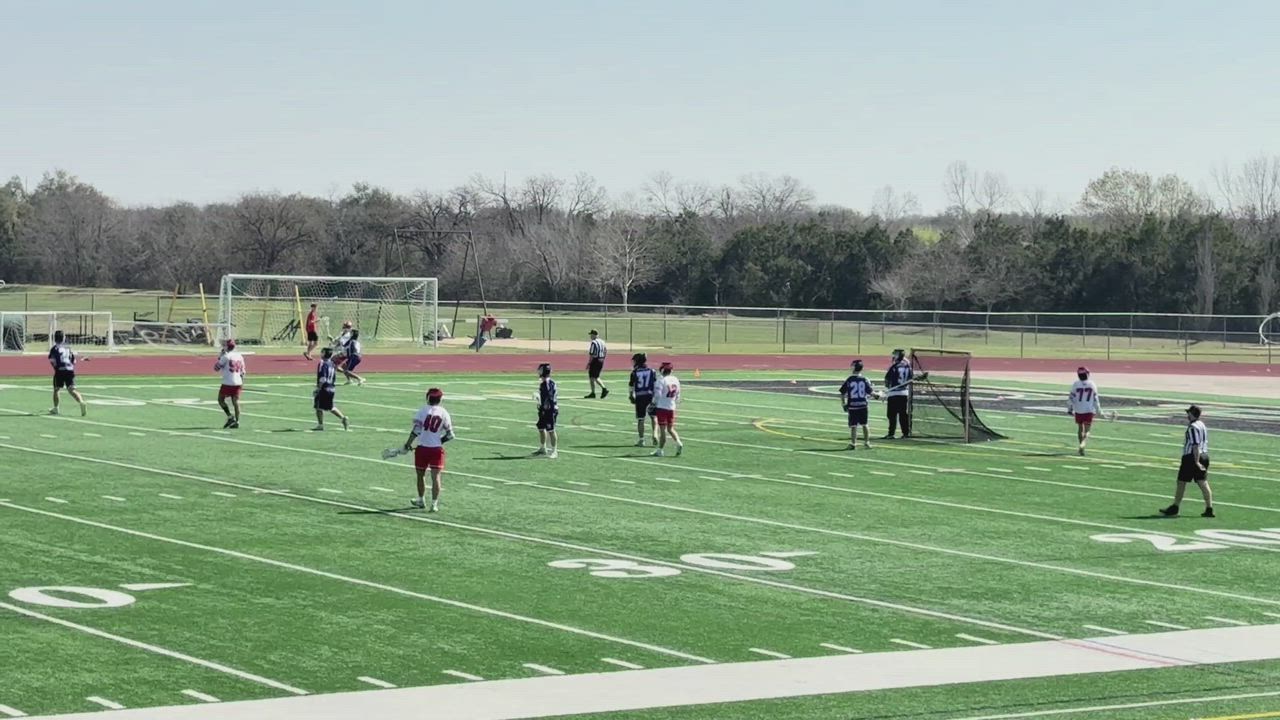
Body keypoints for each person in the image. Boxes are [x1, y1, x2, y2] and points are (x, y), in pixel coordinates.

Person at [1160, 405, 1214, 518]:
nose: (1187, 415)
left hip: (1192, 457)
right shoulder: (1202, 424)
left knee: (1181, 482)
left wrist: (1196, 461)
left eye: (1188, 413)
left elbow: (1195, 445)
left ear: (1191, 414)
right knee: (1203, 482)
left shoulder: (1193, 427)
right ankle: (1209, 508)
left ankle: (1175, 507)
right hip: (1204, 455)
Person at [403, 388, 452, 512]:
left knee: (421, 475)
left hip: (422, 448)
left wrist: (408, 443)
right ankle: (434, 504)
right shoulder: (444, 412)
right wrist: (439, 441)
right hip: (436, 450)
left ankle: (421, 499)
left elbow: (416, 430)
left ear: (428, 398)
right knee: (436, 477)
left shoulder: (422, 410)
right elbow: (450, 435)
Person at [839, 359, 878, 450]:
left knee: (853, 426)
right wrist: (876, 395)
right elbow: (870, 392)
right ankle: (867, 442)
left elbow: (842, 393)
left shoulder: (850, 379)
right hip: (863, 405)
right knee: (865, 424)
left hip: (853, 406)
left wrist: (843, 404)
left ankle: (853, 443)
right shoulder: (864, 379)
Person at [47, 330, 87, 417]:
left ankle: (56, 408)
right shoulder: (68, 348)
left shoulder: (54, 349)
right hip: (70, 369)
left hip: (60, 370)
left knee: (56, 389)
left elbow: (52, 361)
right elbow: (74, 361)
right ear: (63, 338)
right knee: (71, 389)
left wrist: (56, 368)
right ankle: (81, 402)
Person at [1067, 366, 1103, 456]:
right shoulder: (1092, 384)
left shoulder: (1076, 384)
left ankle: (1080, 446)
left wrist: (1069, 408)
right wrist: (1099, 410)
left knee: (1080, 428)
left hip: (1078, 409)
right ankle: (1083, 444)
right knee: (1087, 430)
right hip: (1088, 410)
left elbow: (1071, 397)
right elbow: (1095, 399)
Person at [313, 347, 349, 431]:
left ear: (324, 353)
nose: (320, 353)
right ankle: (343, 418)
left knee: (318, 406)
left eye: (322, 352)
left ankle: (320, 425)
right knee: (330, 407)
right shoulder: (332, 363)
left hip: (324, 388)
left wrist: (318, 388)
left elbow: (323, 378)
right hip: (331, 387)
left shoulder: (322, 363)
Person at [651, 361, 683, 457]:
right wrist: (673, 401)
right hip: (672, 407)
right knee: (670, 428)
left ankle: (660, 450)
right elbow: (678, 394)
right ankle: (678, 442)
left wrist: (653, 403)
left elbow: (657, 395)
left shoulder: (661, 380)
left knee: (663, 430)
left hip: (662, 407)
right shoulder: (675, 379)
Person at [214, 339, 246, 429]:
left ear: (227, 347)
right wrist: (241, 382)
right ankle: (237, 421)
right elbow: (243, 372)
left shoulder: (226, 356)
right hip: (238, 382)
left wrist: (220, 357)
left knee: (221, 400)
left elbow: (216, 368)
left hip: (228, 382)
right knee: (236, 402)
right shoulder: (240, 356)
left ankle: (230, 416)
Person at [628, 352, 658, 447]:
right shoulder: (652, 371)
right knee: (653, 416)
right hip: (650, 395)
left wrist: (631, 395)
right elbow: (655, 384)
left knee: (641, 419)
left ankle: (641, 440)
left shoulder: (634, 372)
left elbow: (631, 385)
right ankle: (655, 434)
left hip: (640, 396)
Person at [883, 349, 913, 439]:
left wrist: (888, 387)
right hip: (904, 393)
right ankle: (905, 433)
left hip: (894, 393)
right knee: (903, 414)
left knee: (891, 415)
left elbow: (887, 380)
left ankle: (891, 433)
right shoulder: (908, 367)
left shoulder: (894, 367)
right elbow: (910, 378)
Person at [533, 363, 559, 459]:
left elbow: (549, 397)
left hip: (550, 410)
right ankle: (543, 448)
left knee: (551, 430)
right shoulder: (544, 383)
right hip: (544, 409)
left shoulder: (548, 383)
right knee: (541, 427)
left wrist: (544, 405)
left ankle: (554, 451)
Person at [585, 329, 609, 399]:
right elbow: (605, 350)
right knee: (594, 377)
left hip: (595, 360)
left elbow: (592, 354)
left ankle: (603, 389)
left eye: (591, 335)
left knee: (594, 377)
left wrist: (589, 363)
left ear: (593, 335)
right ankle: (593, 392)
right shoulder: (602, 341)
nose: (590, 336)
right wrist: (603, 358)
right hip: (601, 360)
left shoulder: (594, 342)